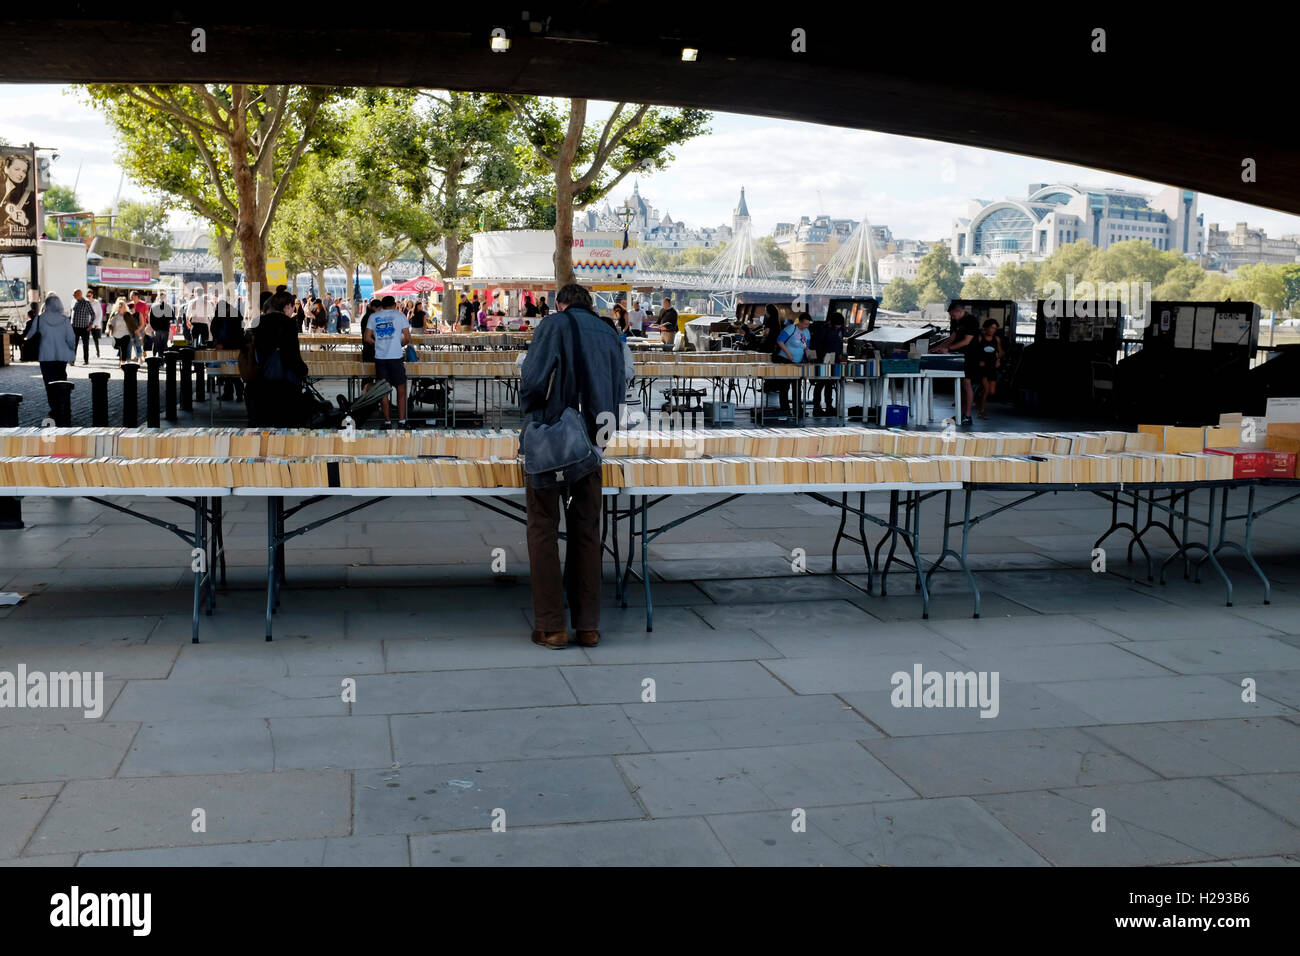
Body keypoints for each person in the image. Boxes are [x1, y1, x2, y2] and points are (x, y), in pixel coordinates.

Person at [519, 282, 625, 651]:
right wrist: (603, 435)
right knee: (586, 530)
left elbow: (532, 381)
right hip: (593, 443)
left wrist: (532, 413)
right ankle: (588, 626)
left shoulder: (553, 324)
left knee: (542, 527)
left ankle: (551, 627)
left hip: (552, 436)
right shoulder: (609, 331)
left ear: (560, 304)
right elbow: (619, 389)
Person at [245, 290, 309, 426]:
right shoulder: (288, 323)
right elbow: (292, 355)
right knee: (285, 426)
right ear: (287, 306)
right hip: (285, 385)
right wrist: (303, 370)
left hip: (260, 382)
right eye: (293, 307)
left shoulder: (257, 322)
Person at [27, 294, 76, 421]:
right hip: (61, 356)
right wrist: (71, 352)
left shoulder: (39, 319)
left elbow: (30, 335)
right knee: (62, 380)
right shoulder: (65, 320)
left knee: (49, 383)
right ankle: (65, 407)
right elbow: (71, 339)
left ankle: (54, 409)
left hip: (45, 356)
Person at [364, 294, 411, 426]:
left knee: (383, 390)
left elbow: (367, 337)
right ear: (395, 305)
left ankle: (387, 421)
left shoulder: (373, 317)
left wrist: (377, 344)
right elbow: (407, 337)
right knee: (401, 390)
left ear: (382, 305)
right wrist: (398, 344)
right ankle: (402, 420)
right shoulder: (400, 316)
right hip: (396, 357)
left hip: (380, 358)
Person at [932, 302, 980, 426]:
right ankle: (961, 413)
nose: (952, 318)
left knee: (967, 384)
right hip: (959, 356)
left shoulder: (971, 321)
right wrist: (937, 348)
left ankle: (968, 415)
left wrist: (949, 349)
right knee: (961, 385)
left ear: (959, 311)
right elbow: (952, 337)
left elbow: (966, 341)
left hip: (971, 356)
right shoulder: (956, 322)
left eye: (953, 315)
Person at [810, 310, 846, 417]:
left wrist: (840, 355)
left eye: (840, 326)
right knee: (820, 383)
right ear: (831, 323)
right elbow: (816, 346)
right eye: (836, 326)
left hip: (834, 361)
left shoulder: (840, 330)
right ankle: (817, 406)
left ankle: (829, 406)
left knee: (829, 384)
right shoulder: (822, 330)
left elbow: (840, 343)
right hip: (822, 361)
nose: (838, 327)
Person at [974, 318, 1004, 419]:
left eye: (995, 328)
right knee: (986, 389)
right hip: (982, 367)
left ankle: (977, 395)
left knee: (992, 391)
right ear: (986, 328)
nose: (993, 330)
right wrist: (978, 360)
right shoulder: (979, 338)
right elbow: (974, 352)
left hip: (992, 367)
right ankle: (982, 411)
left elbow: (1000, 352)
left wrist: (998, 360)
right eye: (991, 328)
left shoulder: (996, 339)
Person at [69, 288, 96, 365]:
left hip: (85, 328)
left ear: (79, 294)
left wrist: (91, 324)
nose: (73, 295)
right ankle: (72, 360)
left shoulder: (86, 303)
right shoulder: (73, 302)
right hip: (75, 327)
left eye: (74, 294)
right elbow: (71, 314)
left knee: (85, 345)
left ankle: (86, 360)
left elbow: (93, 314)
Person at [148, 293, 175, 357]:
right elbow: (172, 317)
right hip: (165, 328)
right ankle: (161, 358)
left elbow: (150, 318)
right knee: (163, 344)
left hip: (156, 328)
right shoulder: (167, 306)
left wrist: (153, 327)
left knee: (156, 343)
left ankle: (154, 357)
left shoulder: (153, 306)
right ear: (165, 298)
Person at [107, 298, 132, 365]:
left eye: (122, 305)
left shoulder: (128, 314)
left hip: (126, 334)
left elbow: (132, 324)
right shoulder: (115, 314)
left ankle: (122, 363)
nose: (120, 306)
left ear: (125, 306)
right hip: (116, 334)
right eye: (119, 305)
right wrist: (108, 329)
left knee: (124, 348)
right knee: (117, 346)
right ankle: (122, 360)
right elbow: (110, 323)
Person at [87, 289, 103, 358]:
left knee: (95, 339)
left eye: (89, 295)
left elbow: (99, 314)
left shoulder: (96, 303)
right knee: (86, 340)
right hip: (86, 323)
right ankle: (86, 354)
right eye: (87, 295)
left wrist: (97, 323)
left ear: (92, 295)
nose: (88, 296)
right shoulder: (85, 302)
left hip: (94, 323)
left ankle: (98, 352)